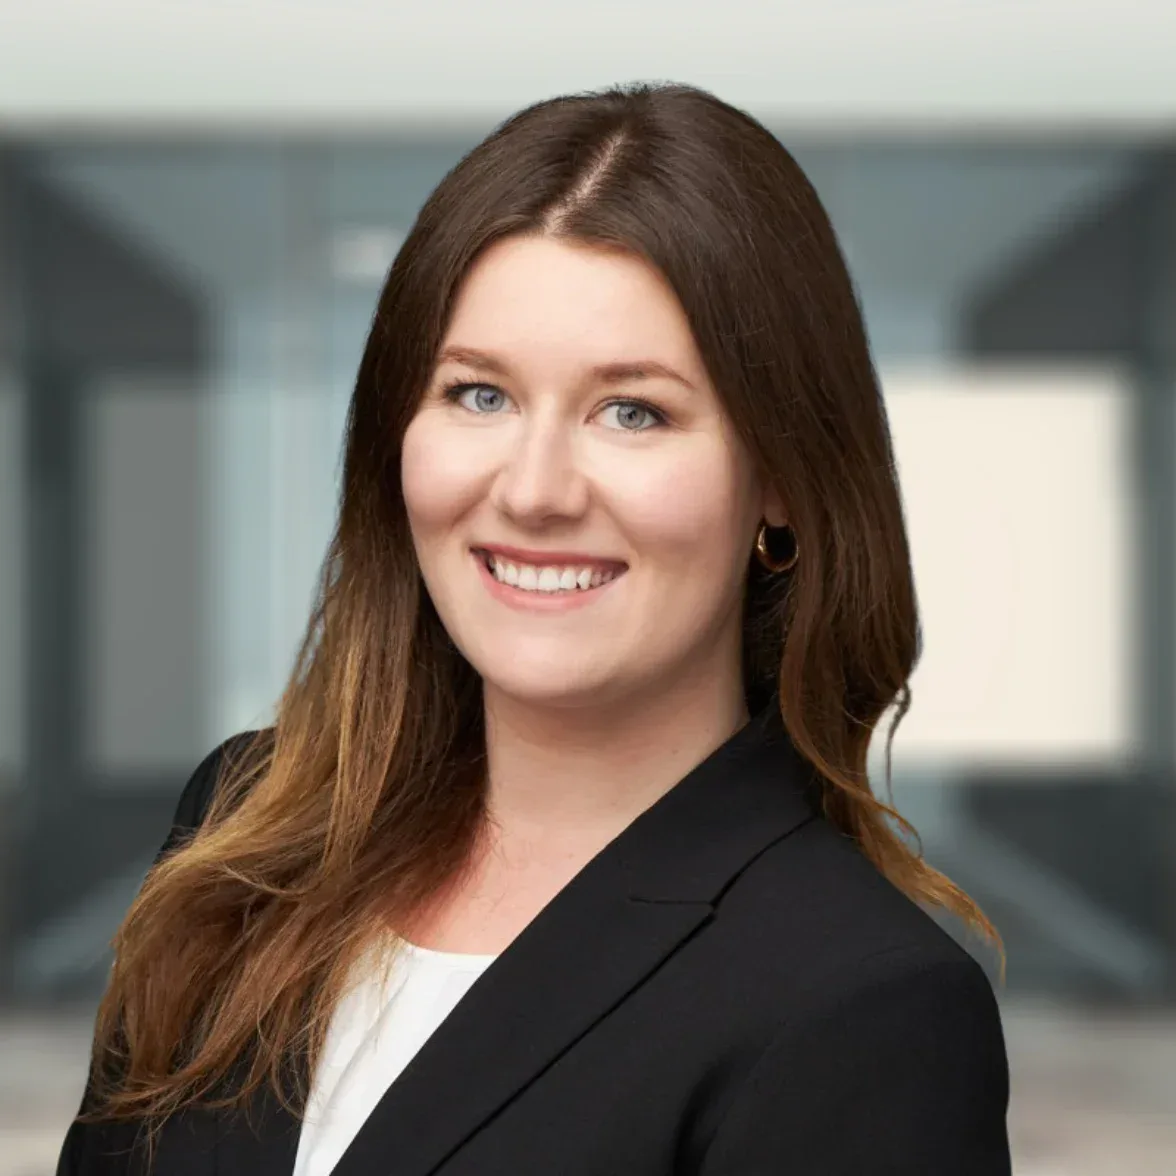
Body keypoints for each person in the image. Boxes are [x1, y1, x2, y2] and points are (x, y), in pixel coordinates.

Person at [57, 81, 1011, 1176]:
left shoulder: (865, 1003)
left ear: (781, 481)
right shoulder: (248, 830)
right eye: (479, 396)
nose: (536, 489)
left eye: (633, 410)